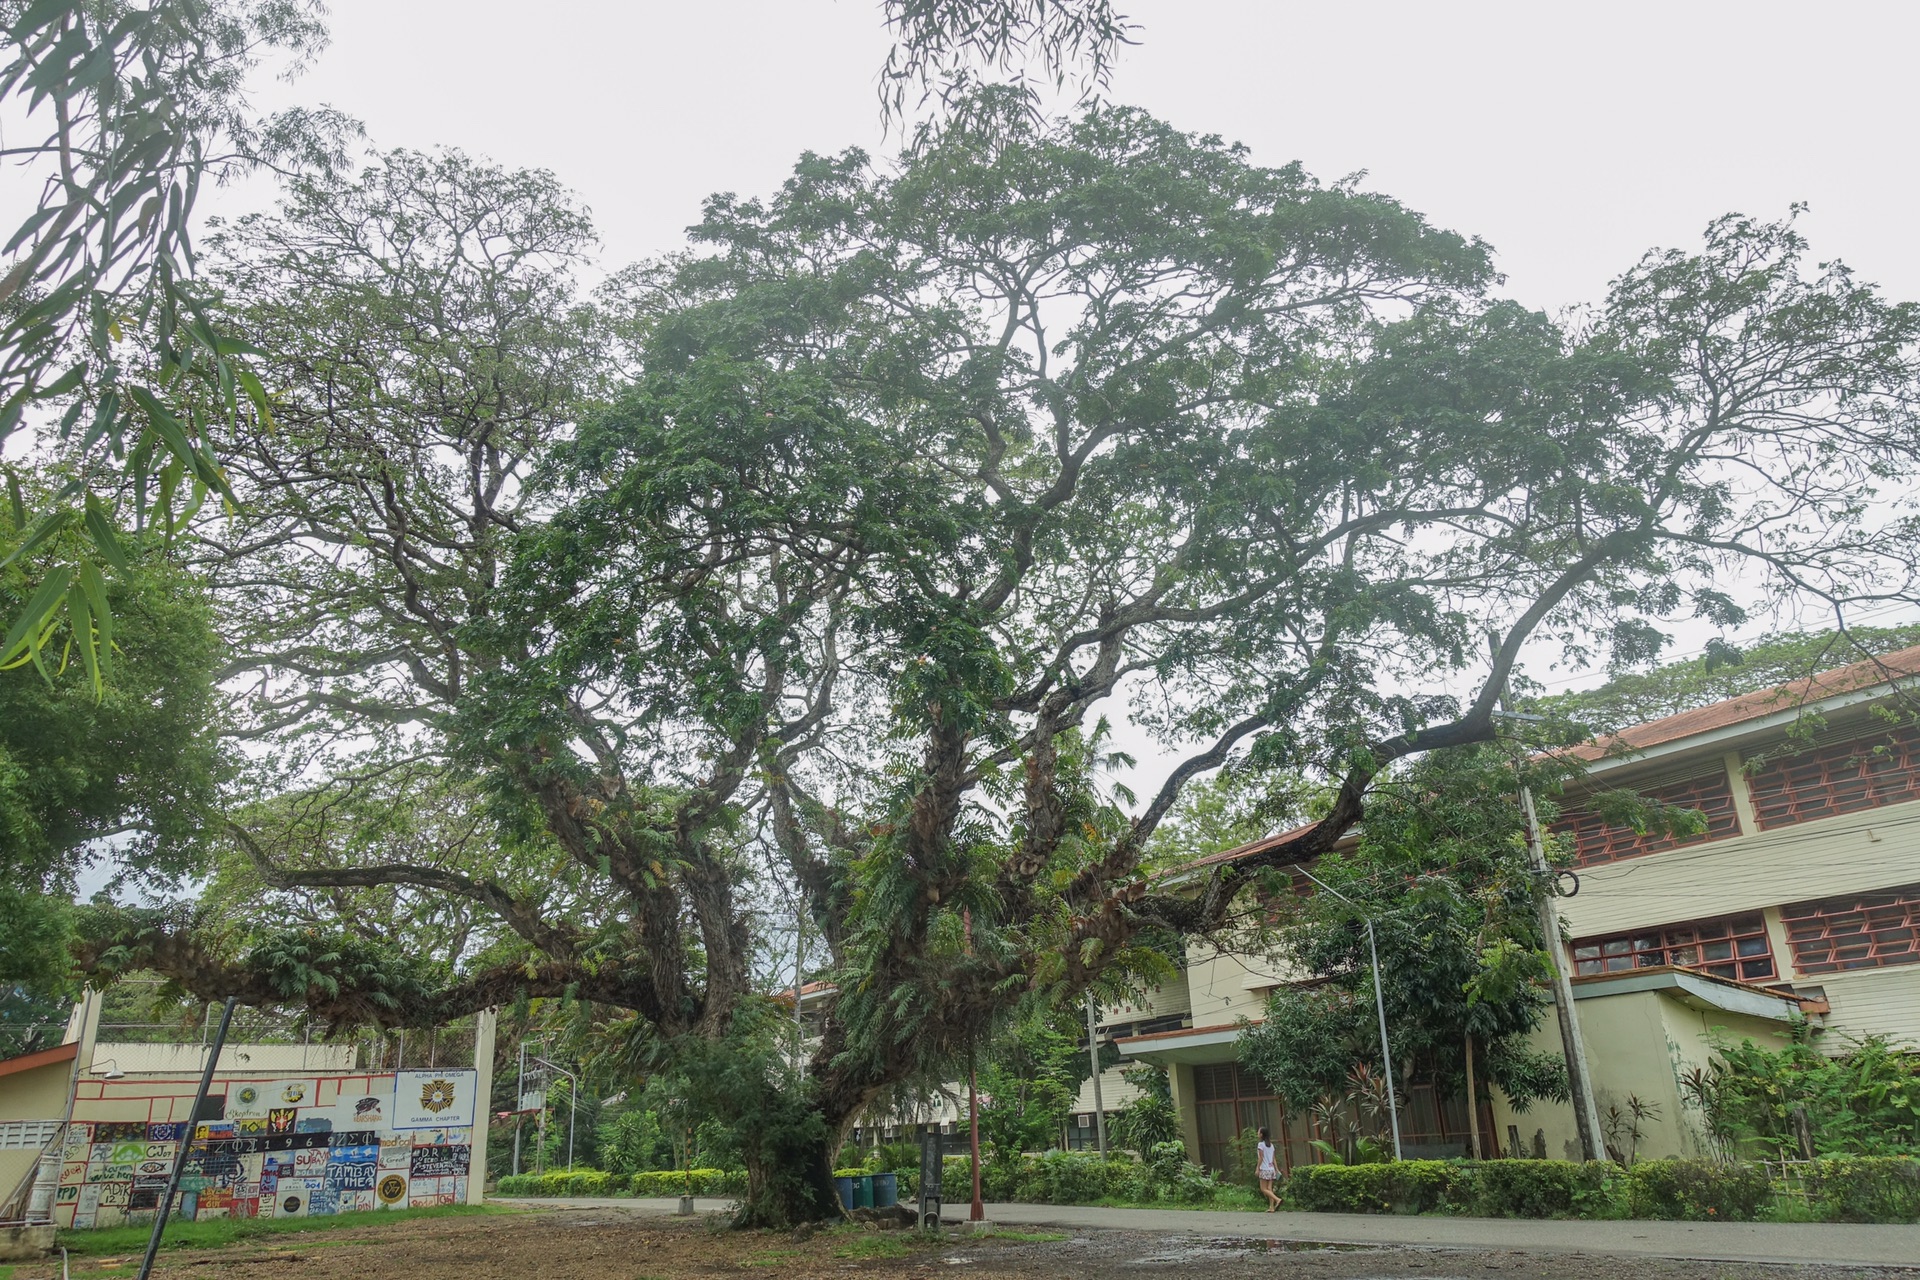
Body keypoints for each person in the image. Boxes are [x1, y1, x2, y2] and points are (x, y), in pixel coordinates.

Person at [1255, 1126, 1281, 1212]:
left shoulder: (1260, 1145)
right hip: (1271, 1169)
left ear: (1261, 1134)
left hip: (1264, 1169)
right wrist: (1276, 1169)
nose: (1257, 1134)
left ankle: (1277, 1200)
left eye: (1258, 1132)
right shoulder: (1271, 1145)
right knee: (1269, 1189)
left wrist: (1257, 1168)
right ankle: (1272, 1207)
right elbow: (1273, 1158)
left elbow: (1261, 1157)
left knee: (1263, 1189)